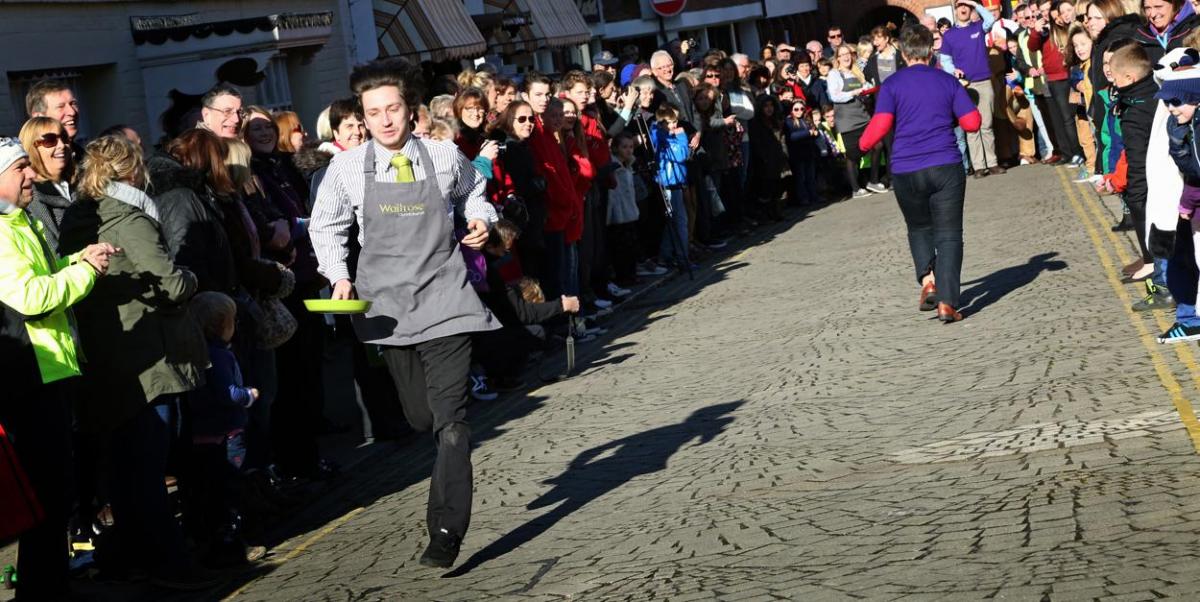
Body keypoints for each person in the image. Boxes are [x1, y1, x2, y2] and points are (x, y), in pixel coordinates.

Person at [309, 58, 498, 569]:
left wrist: (479, 218)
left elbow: (474, 190)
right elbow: (324, 225)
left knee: (452, 423)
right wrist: (337, 274)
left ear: (410, 111)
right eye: (375, 113)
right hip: (389, 309)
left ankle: (445, 531)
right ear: (363, 119)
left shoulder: (441, 155)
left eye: (393, 109)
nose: (386, 120)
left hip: (447, 297)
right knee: (423, 418)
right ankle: (436, 439)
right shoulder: (346, 169)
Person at [57, 135, 214, 589]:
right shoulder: (129, 216)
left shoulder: (78, 215)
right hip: (147, 358)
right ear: (131, 171)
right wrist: (191, 275)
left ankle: (126, 558)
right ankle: (170, 565)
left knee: (124, 472)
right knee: (146, 471)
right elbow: (168, 284)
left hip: (106, 357)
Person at [0, 137, 114, 601]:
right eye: (20, 168)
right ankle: (43, 590)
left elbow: (42, 279)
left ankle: (47, 584)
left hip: (46, 373)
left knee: (53, 491)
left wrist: (78, 259)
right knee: (45, 495)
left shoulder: (16, 220)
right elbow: (29, 298)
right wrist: (86, 273)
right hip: (25, 378)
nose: (31, 176)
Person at [859, 25, 983, 322]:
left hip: (905, 168)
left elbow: (880, 126)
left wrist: (861, 146)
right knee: (950, 235)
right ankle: (948, 303)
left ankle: (928, 281)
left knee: (918, 228)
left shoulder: (891, 85)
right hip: (945, 165)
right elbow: (972, 124)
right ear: (931, 50)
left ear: (902, 53)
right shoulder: (948, 82)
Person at [185, 291, 268, 566]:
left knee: (210, 488)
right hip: (228, 432)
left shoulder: (194, 353)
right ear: (222, 325)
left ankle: (213, 538)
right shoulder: (219, 357)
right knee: (231, 487)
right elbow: (228, 393)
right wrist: (249, 395)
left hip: (201, 434)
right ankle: (234, 540)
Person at [147, 128, 238, 294]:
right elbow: (185, 255)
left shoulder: (189, 191)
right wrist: (216, 297)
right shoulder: (178, 195)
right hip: (207, 300)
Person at [1156, 58, 1200, 342]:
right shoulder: (1188, 124)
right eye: (1167, 102)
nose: (1170, 108)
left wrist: (1185, 204)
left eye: (1176, 101)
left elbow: (1198, 175)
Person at [941, 0, 1005, 176]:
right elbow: (945, 60)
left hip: (984, 82)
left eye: (966, 6)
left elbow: (990, 20)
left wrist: (973, 3)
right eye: (960, 6)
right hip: (965, 86)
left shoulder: (978, 27)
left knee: (987, 124)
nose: (963, 9)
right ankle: (978, 166)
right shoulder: (949, 35)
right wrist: (953, 70)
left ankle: (992, 163)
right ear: (955, 10)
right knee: (972, 127)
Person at [827, 43, 881, 198]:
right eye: (842, 54)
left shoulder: (856, 71)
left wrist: (867, 90)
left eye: (848, 53)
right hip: (847, 120)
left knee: (877, 145)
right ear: (837, 58)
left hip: (863, 116)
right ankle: (856, 189)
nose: (846, 57)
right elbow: (835, 96)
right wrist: (853, 92)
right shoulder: (834, 74)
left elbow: (867, 87)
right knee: (853, 155)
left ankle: (873, 180)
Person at [19, 117, 75, 251]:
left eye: (64, 138)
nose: (62, 145)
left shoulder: (84, 184)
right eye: (50, 140)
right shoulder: (31, 196)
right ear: (31, 148)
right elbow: (52, 251)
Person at [26, 80, 82, 145]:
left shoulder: (84, 154)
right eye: (61, 106)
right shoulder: (27, 154)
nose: (72, 112)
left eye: (73, 104)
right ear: (39, 116)